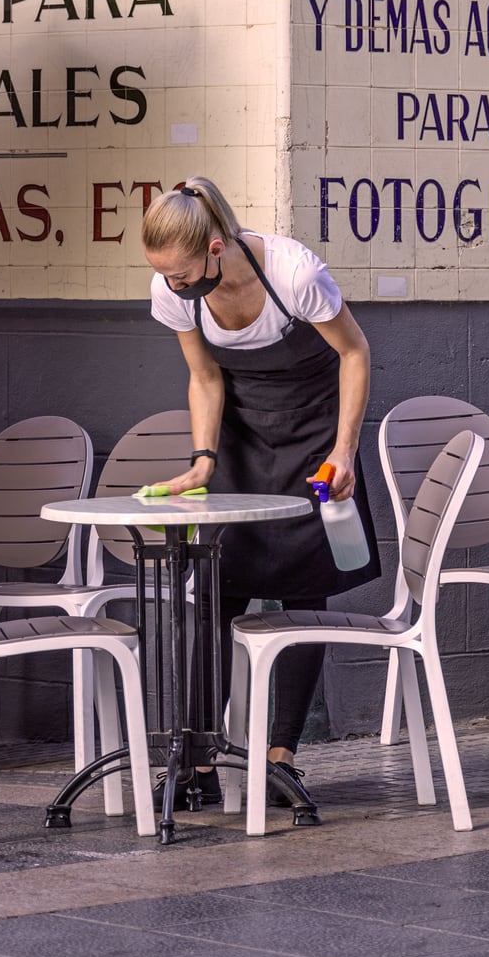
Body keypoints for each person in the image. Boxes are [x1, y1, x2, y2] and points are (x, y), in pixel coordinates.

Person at [142, 175, 378, 807]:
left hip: (315, 434)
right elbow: (204, 376)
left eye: (183, 273)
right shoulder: (176, 293)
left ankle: (282, 759)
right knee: (215, 595)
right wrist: (201, 461)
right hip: (241, 439)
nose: (174, 285)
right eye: (164, 275)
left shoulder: (296, 273)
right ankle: (197, 763)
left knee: (303, 596)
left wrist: (344, 451)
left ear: (216, 247)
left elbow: (355, 354)